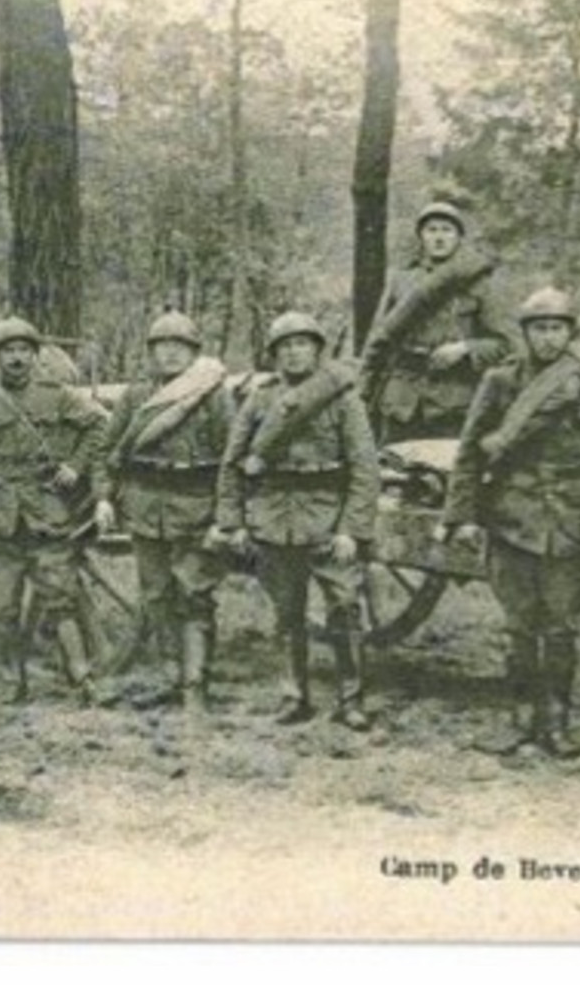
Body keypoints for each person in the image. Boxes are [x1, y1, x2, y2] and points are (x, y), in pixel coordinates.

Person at [439, 286, 580, 758]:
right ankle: (522, 718)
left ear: (570, 332)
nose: (549, 338)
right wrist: (461, 515)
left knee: (562, 627)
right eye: (540, 329)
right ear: (525, 334)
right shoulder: (501, 381)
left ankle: (559, 723)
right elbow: (469, 451)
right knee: (521, 624)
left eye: (558, 329)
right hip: (512, 518)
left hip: (571, 519)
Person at [217, 312, 380, 727]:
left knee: (344, 606)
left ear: (317, 350)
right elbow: (233, 463)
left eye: (303, 344)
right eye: (285, 346)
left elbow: (364, 468)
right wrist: (233, 522)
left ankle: (351, 699)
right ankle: (294, 695)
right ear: (274, 355)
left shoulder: (341, 398)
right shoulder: (260, 399)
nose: (294, 353)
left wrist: (350, 530)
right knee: (287, 613)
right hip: (274, 516)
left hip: (327, 515)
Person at [0, 317, 108, 705]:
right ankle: (9, 682)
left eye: (23, 351)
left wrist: (76, 465)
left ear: (35, 356)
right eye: (8, 352)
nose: (16, 359)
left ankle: (80, 676)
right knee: (2, 605)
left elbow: (99, 427)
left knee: (61, 594)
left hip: (45, 513)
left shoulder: (58, 395)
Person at [93, 311, 233, 712]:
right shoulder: (137, 398)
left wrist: (224, 519)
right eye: (162, 347)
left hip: (196, 508)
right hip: (145, 507)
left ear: (194, 353)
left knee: (194, 594)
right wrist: (104, 497)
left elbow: (230, 461)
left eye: (179, 347)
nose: (170, 354)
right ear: (151, 353)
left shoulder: (213, 397)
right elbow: (108, 453)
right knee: (156, 594)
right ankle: (170, 675)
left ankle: (195, 686)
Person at [360, 201, 512, 443]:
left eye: (446, 230)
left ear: (459, 237)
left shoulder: (479, 283)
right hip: (401, 402)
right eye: (431, 230)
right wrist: (364, 388)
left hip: (453, 404)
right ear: (421, 236)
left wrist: (465, 349)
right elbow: (379, 337)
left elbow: (507, 344)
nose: (439, 237)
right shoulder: (401, 279)